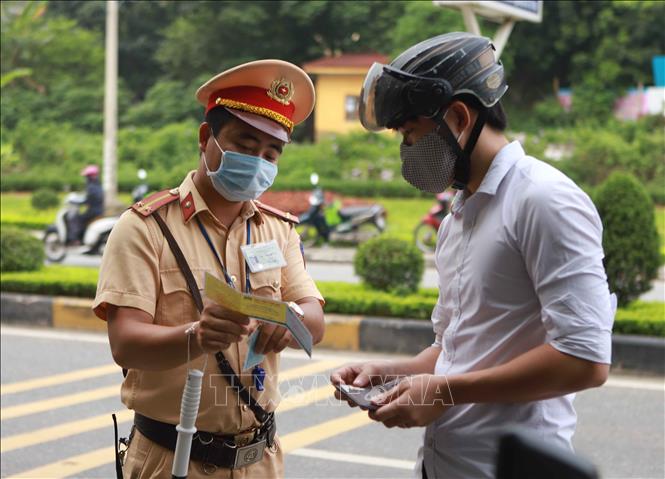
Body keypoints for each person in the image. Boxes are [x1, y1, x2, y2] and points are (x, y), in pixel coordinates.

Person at [331, 32, 615, 478]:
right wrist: (388, 372)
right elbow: (456, 350)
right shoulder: (456, 218)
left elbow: (584, 359)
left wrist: (443, 394)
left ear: (459, 117)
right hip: (441, 465)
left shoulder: (545, 200)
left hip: (506, 469)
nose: (407, 150)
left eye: (410, 133)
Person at [93, 59, 325, 478]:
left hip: (260, 460)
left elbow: (314, 315)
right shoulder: (146, 228)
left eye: (271, 153)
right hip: (171, 458)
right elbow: (124, 342)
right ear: (206, 138)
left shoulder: (278, 230)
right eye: (244, 145)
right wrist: (197, 336)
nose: (258, 161)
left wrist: (292, 323)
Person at [68, 164, 104, 244]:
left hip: (93, 211)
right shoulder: (98, 185)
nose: (86, 178)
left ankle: (75, 238)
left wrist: (75, 201)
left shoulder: (91, 187)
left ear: (90, 177)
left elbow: (87, 200)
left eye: (87, 176)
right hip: (98, 210)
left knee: (76, 218)